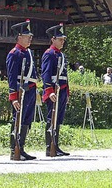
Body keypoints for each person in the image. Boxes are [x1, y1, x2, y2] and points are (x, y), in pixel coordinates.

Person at [6, 19, 37, 161]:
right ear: (19, 37)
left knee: (26, 119)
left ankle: (21, 148)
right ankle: (14, 149)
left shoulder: (28, 53)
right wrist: (13, 96)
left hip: (30, 90)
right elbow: (12, 76)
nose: (30, 38)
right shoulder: (14, 53)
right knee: (17, 119)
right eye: (27, 36)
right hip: (20, 91)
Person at [41, 23, 70, 157]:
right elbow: (46, 73)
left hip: (62, 90)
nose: (62, 41)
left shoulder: (60, 54)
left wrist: (67, 92)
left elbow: (65, 75)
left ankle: (56, 146)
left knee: (58, 119)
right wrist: (49, 90)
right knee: (51, 118)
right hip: (54, 90)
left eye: (63, 39)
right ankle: (50, 147)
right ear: (53, 39)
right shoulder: (49, 53)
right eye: (60, 39)